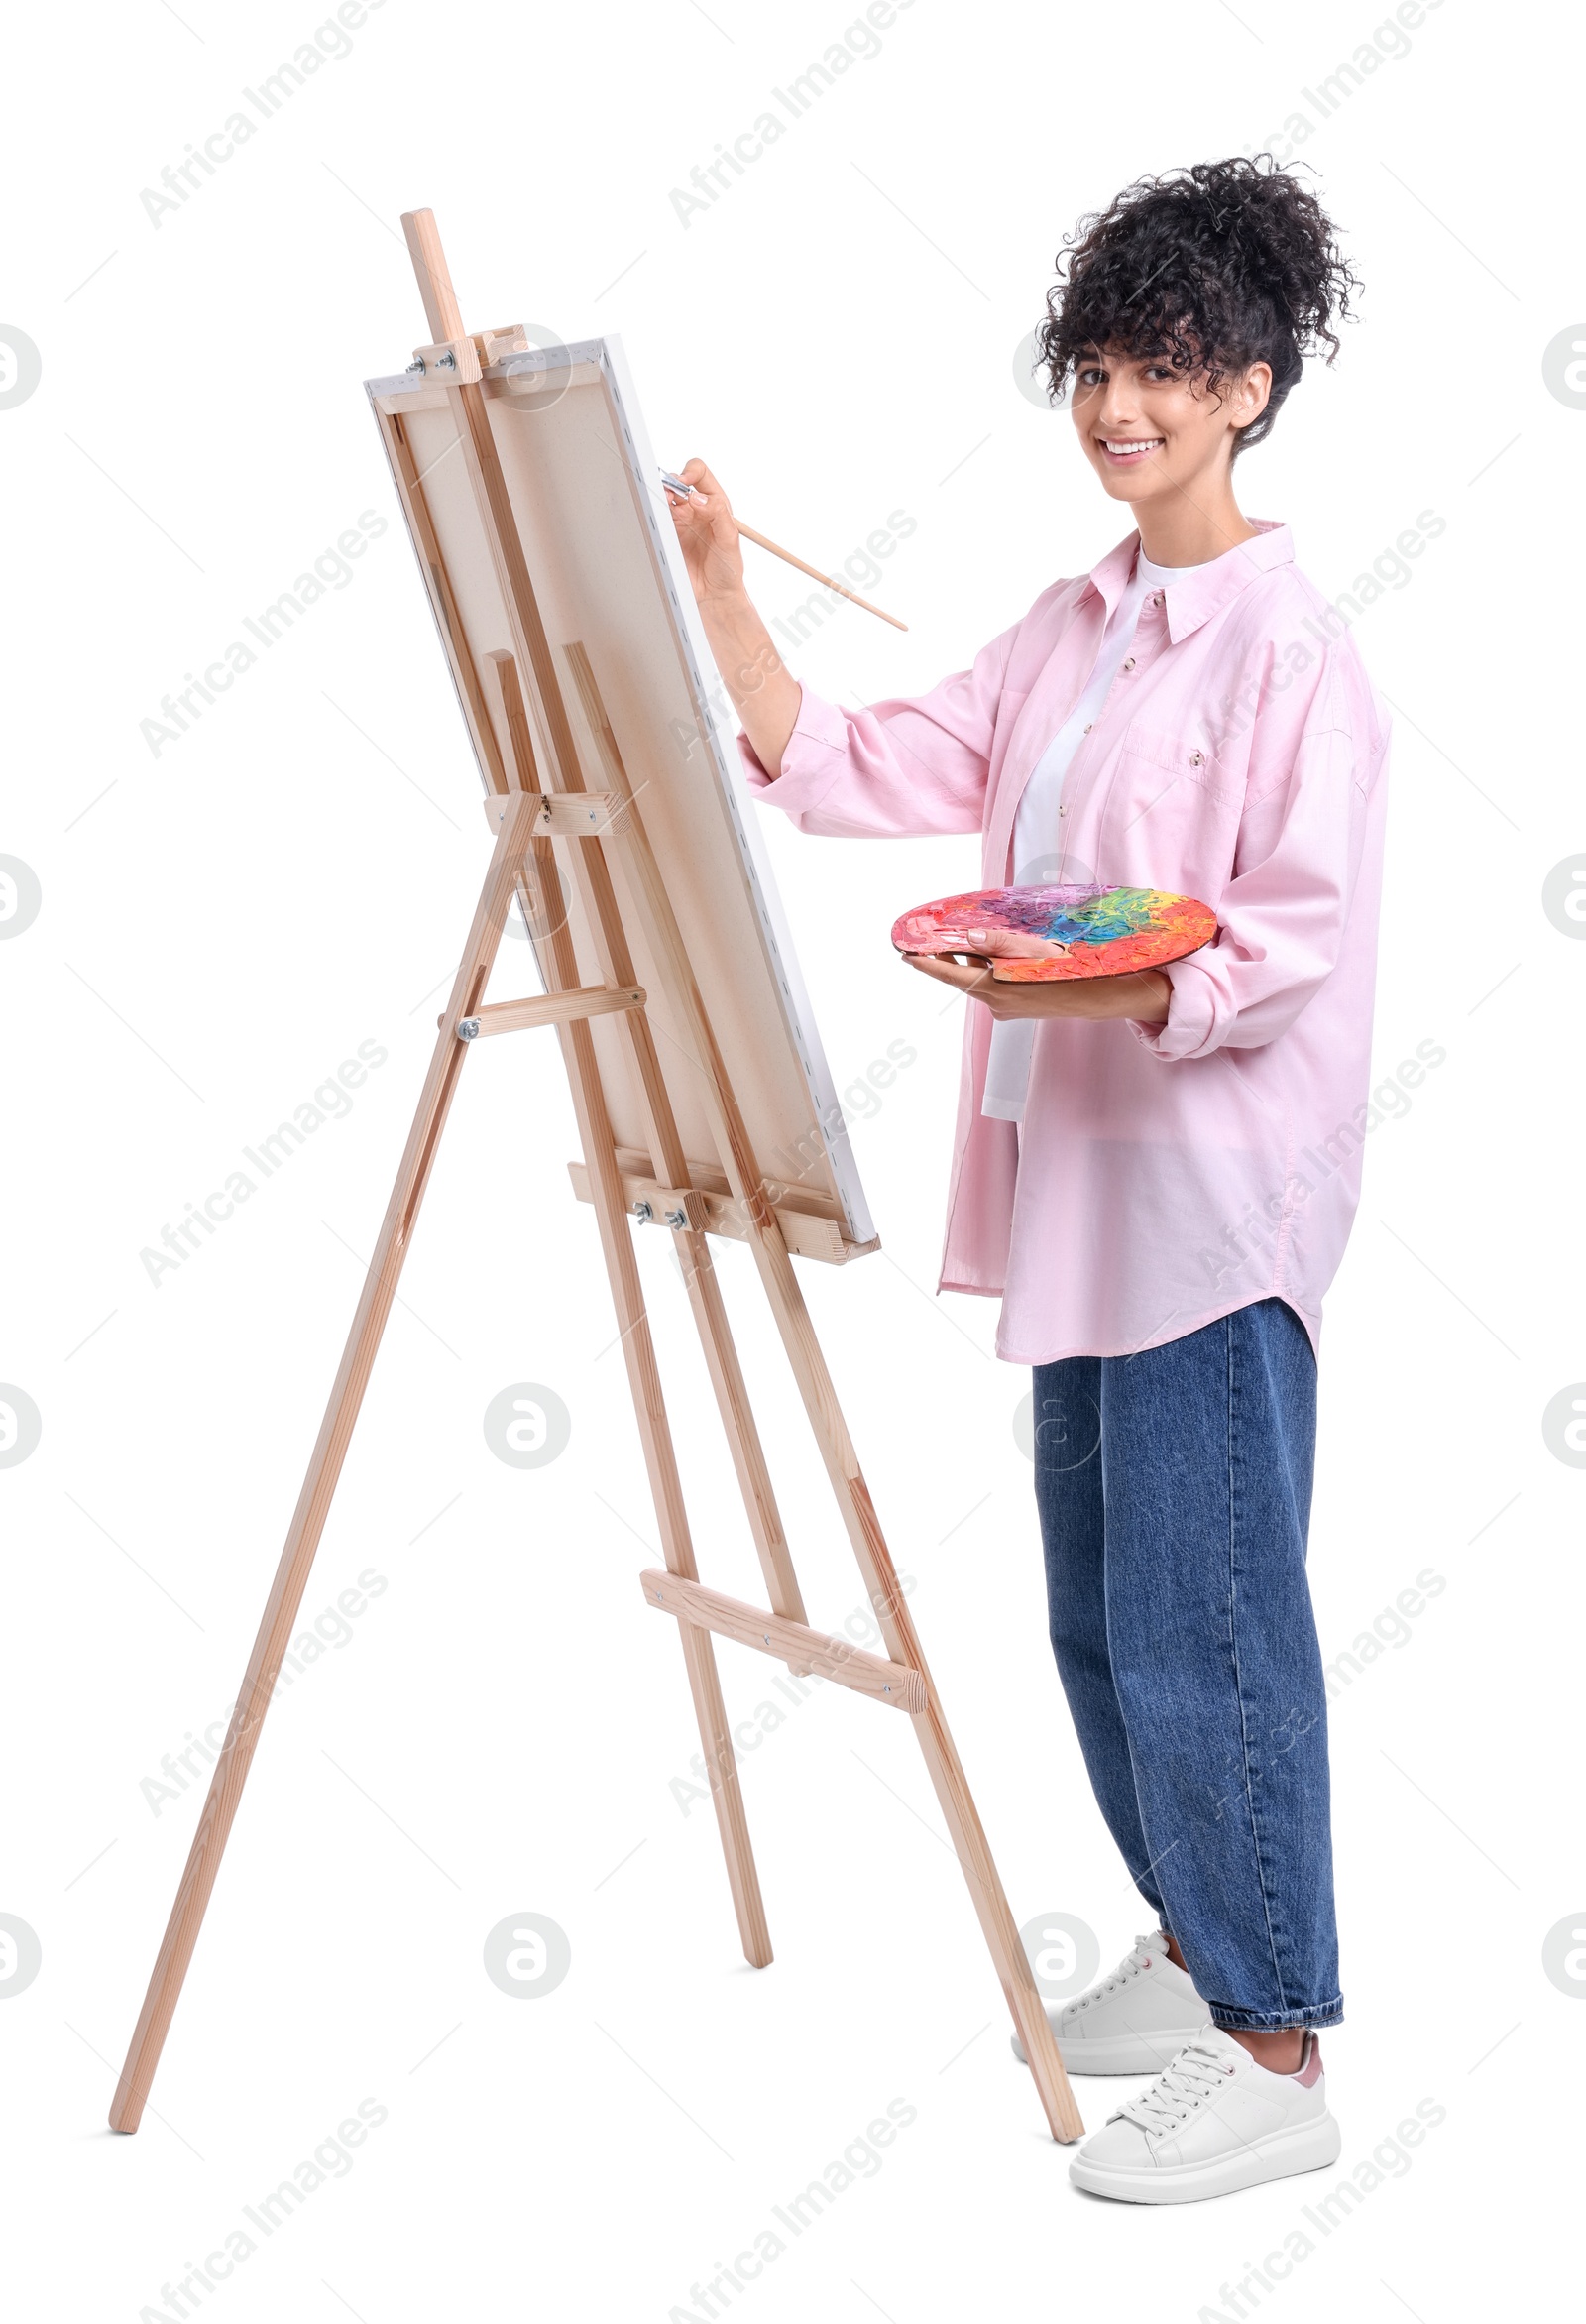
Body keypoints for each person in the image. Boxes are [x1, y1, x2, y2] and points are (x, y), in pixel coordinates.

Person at [669, 155, 1388, 2205]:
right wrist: (727, 598)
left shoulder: (1290, 651)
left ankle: (1274, 2034)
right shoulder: (1070, 625)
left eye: (1161, 366)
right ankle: (1191, 1947)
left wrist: (1114, 980)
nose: (1115, 407)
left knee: (1206, 1620)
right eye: (1091, 365)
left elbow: (1291, 936)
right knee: (1095, 1615)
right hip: (1074, 1196)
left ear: (1245, 385)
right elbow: (870, 765)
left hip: (1207, 1204)